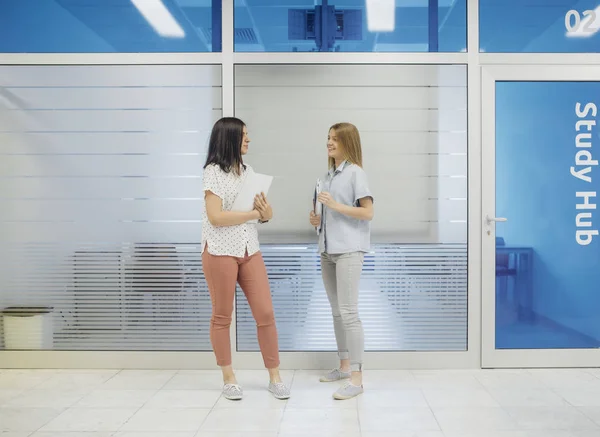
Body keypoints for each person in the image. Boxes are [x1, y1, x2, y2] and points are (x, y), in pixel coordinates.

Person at [202, 117, 290, 401]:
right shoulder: (213, 172)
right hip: (219, 251)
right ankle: (229, 378)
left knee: (265, 313)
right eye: (244, 136)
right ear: (229, 139)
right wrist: (254, 215)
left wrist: (264, 214)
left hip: (249, 249)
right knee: (222, 316)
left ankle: (274, 377)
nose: (249, 140)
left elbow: (265, 213)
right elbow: (215, 218)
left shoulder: (249, 172)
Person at [309, 122, 374, 400]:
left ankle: (357, 380)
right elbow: (324, 215)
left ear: (348, 142)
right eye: (328, 138)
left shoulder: (355, 173)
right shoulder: (326, 176)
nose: (329, 142)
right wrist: (316, 219)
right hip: (326, 249)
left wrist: (334, 206)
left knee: (348, 312)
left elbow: (368, 212)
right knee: (336, 311)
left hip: (349, 250)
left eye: (335, 139)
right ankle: (344, 367)